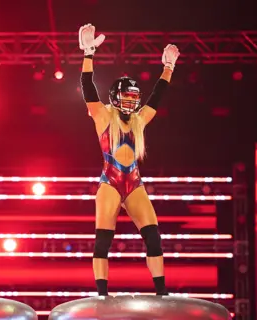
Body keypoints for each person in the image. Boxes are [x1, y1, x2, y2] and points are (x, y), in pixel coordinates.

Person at [78, 23, 180, 296]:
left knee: (154, 238)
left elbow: (157, 96)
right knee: (103, 242)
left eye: (135, 98)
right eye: (127, 97)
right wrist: (88, 54)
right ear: (115, 97)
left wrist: (168, 69)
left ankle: (161, 293)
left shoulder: (139, 120)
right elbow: (87, 86)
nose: (132, 102)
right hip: (110, 183)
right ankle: (101, 294)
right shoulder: (102, 115)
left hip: (134, 182)